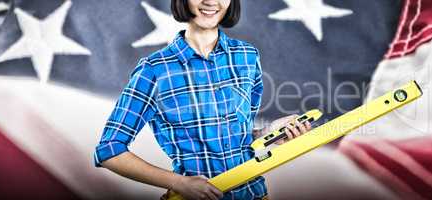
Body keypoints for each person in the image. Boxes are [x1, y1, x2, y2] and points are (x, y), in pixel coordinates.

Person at [93, 0, 311, 199]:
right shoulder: (155, 70)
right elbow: (109, 150)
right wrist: (180, 183)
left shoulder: (247, 56)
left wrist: (268, 134)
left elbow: (238, 137)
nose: (210, 1)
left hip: (254, 194)